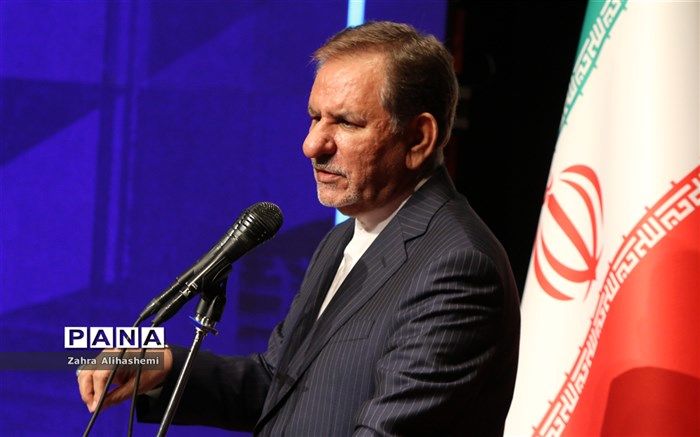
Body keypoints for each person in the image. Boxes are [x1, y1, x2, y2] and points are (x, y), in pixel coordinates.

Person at [77, 21, 520, 436]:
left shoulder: (458, 269)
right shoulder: (344, 237)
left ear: (419, 138)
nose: (312, 145)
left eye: (345, 122)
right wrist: (165, 368)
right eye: (314, 118)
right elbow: (280, 385)